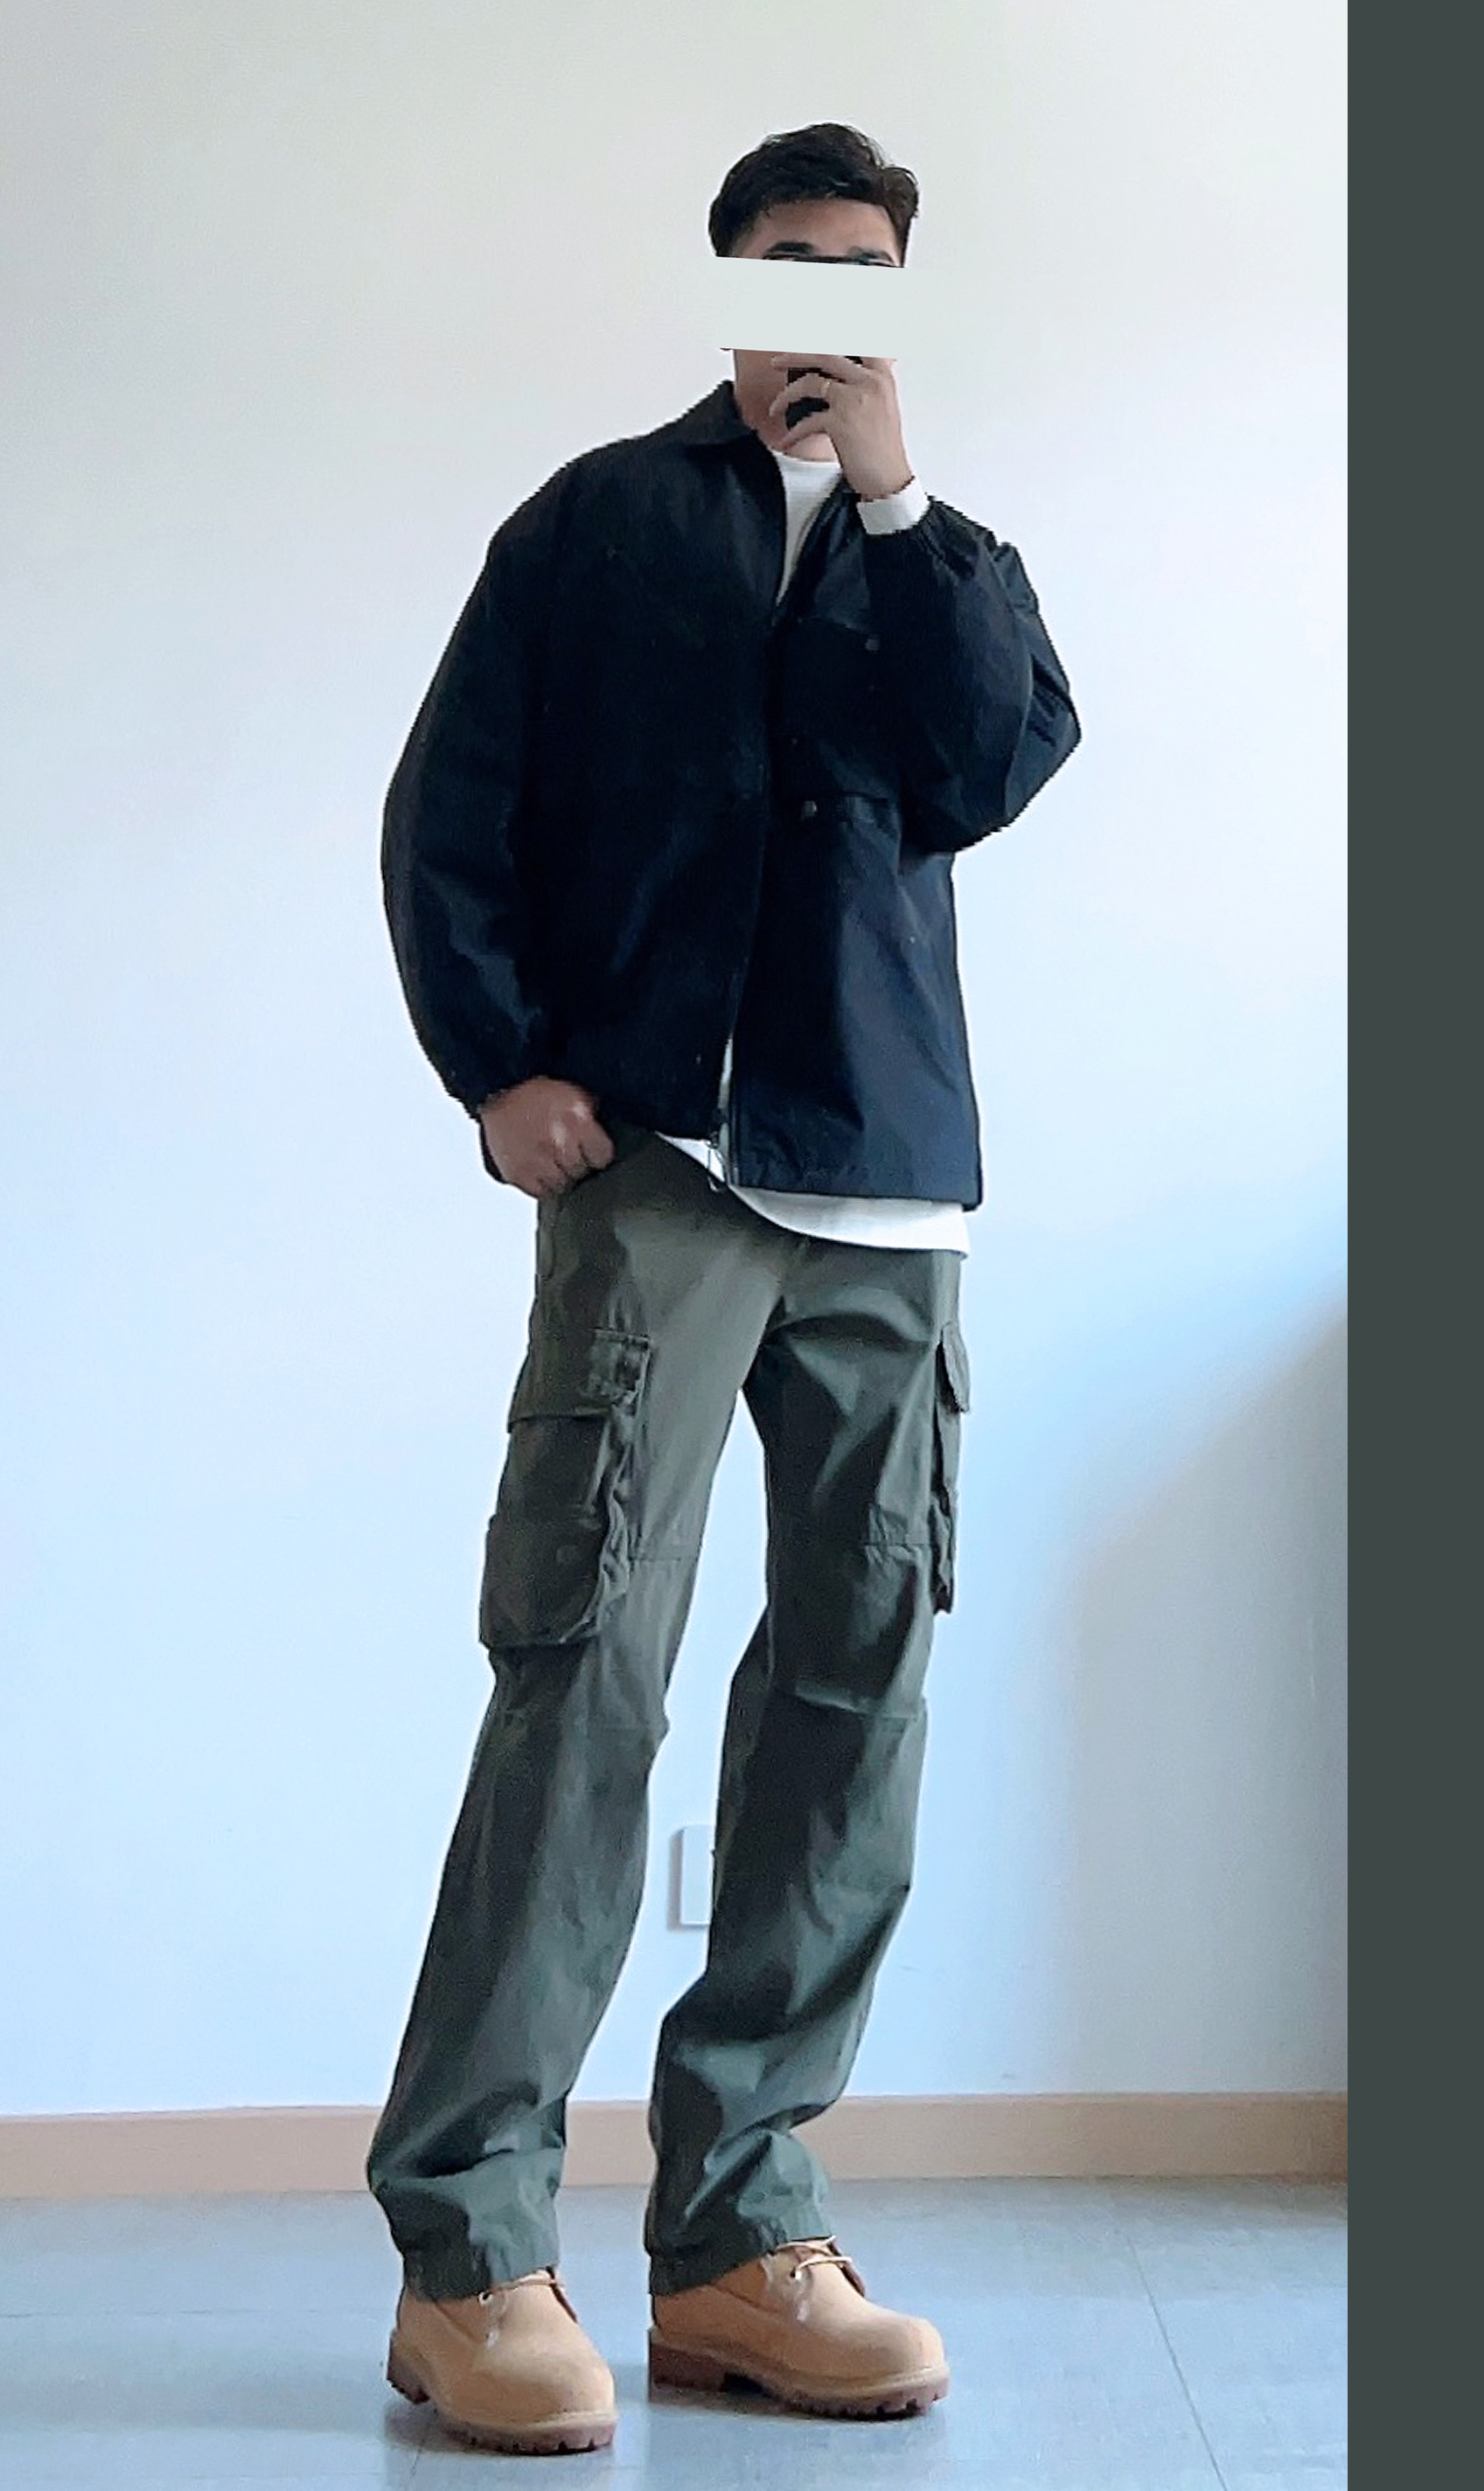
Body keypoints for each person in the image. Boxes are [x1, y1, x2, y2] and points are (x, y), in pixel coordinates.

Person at [368, 122, 1081, 2457]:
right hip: (659, 1168)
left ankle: (741, 2233)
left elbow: (988, 770)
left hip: (887, 1188)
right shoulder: (598, 525)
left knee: (853, 1694)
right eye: (793, 265)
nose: (826, 304)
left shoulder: (943, 557)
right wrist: (501, 1063)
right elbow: (452, 804)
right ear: (733, 281)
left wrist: (893, 500)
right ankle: (471, 2253)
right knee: (584, 1674)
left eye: (865, 272)